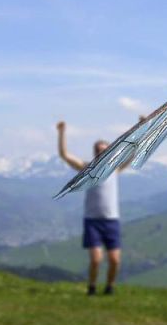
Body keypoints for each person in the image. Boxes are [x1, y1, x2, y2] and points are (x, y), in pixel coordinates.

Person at [56, 118, 142, 295]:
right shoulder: (86, 168)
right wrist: (62, 132)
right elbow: (64, 155)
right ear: (95, 152)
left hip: (111, 220)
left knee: (115, 260)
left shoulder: (115, 168)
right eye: (98, 150)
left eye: (104, 150)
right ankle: (92, 287)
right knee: (96, 260)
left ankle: (109, 288)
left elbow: (134, 153)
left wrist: (141, 127)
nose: (101, 152)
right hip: (92, 221)